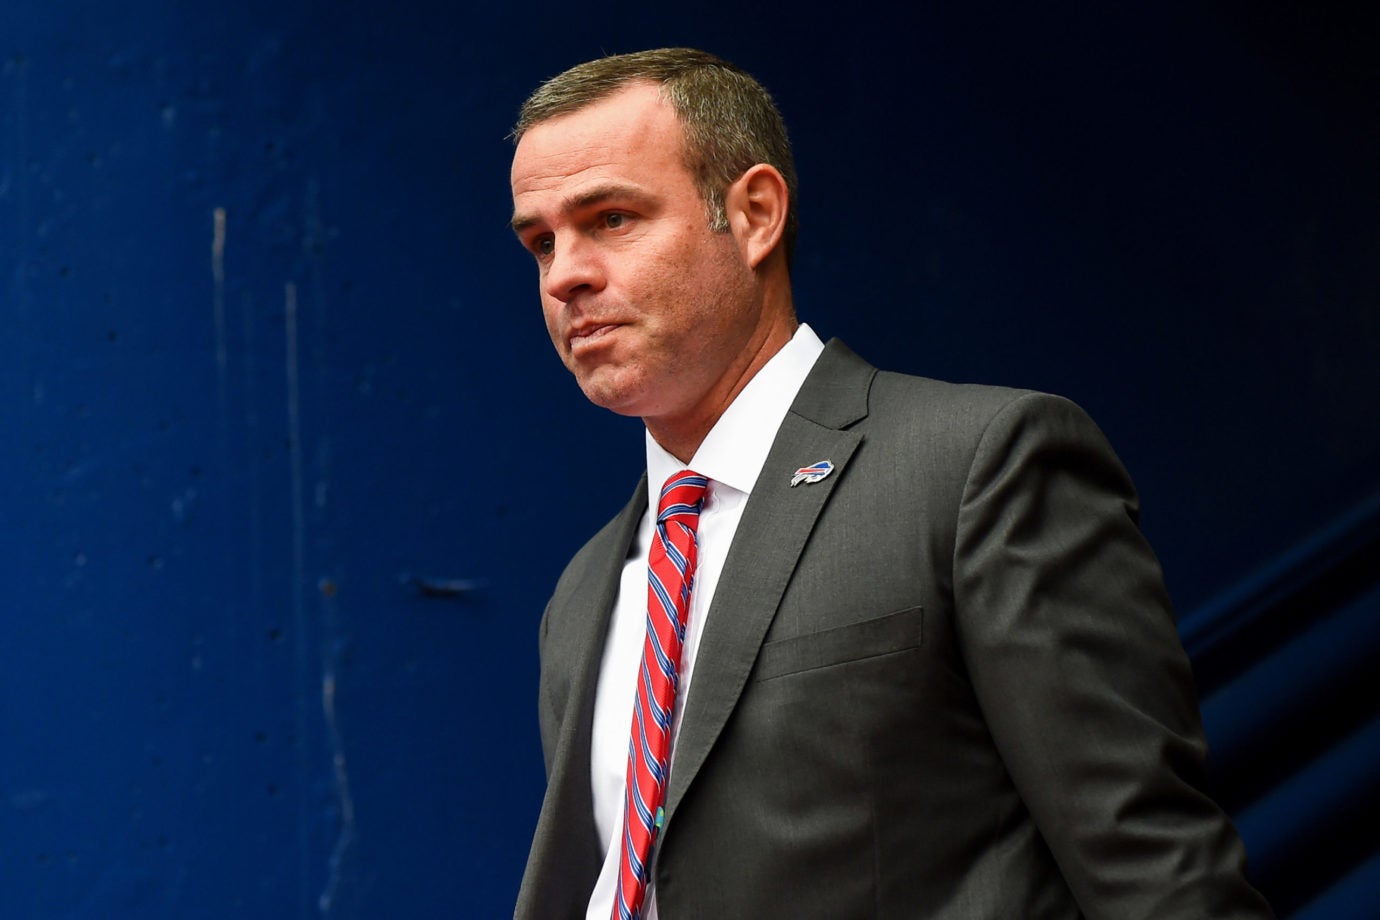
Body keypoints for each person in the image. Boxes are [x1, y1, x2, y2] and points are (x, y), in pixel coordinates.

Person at [507, 47, 1273, 920]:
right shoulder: (584, 592)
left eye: (610, 218)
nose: (565, 273)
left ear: (754, 214)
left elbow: (1159, 881)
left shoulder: (979, 465)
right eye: (541, 241)